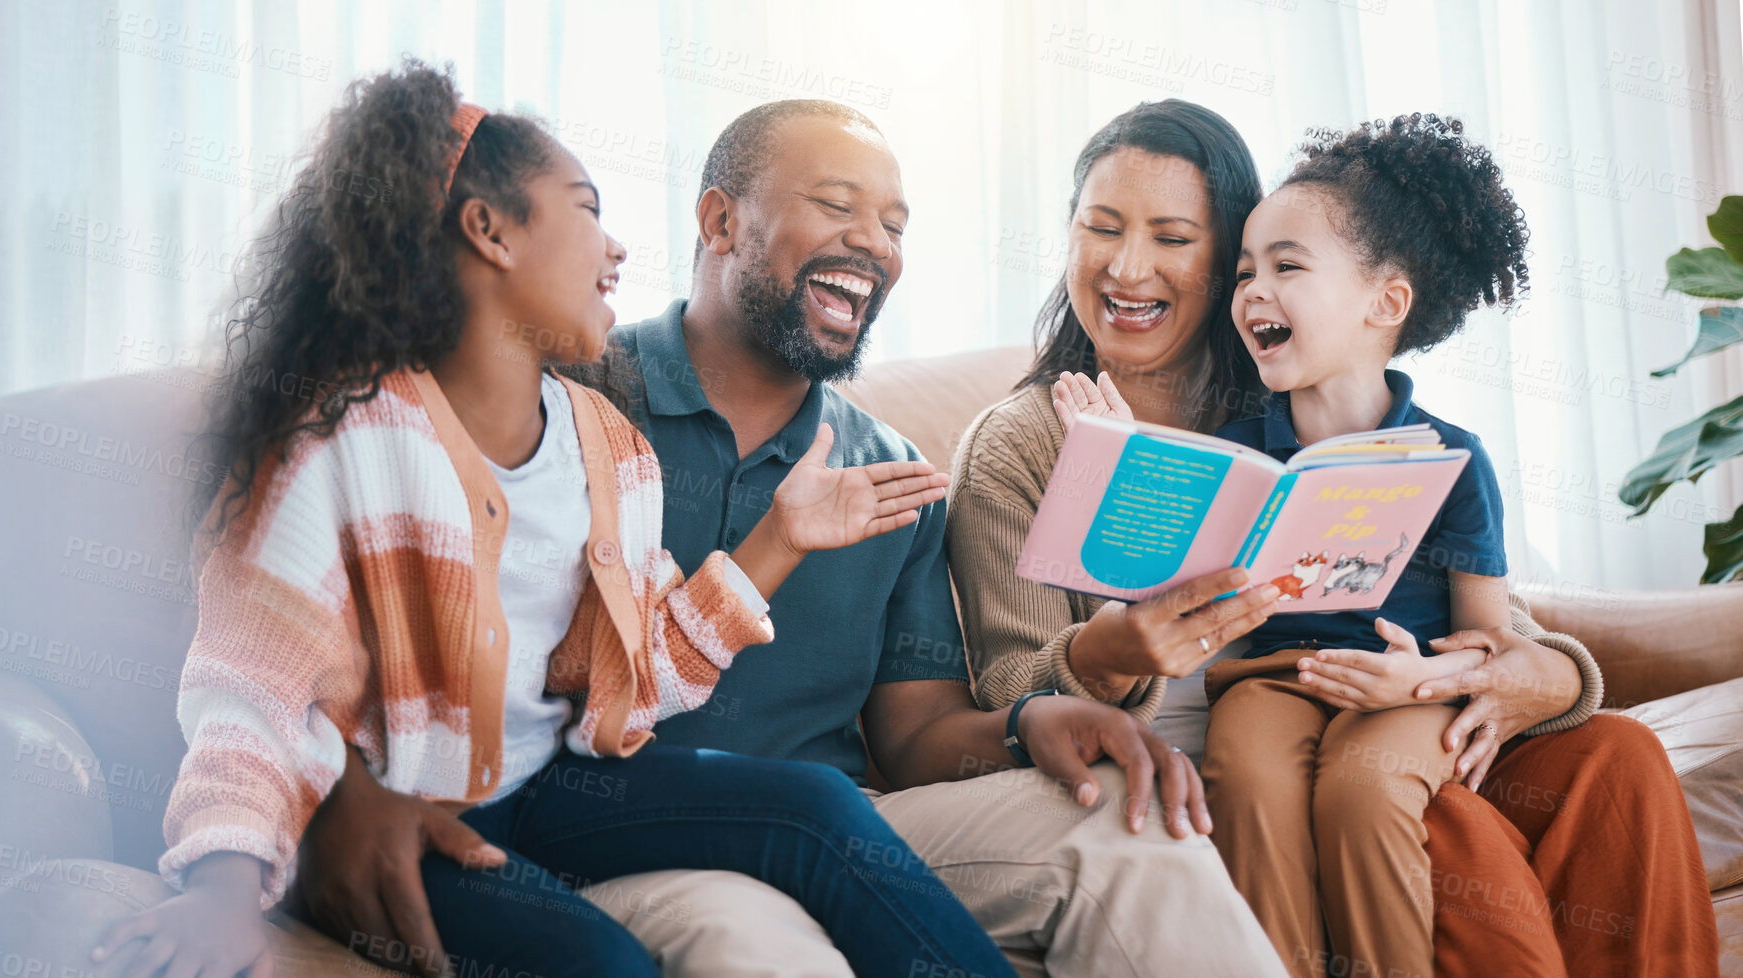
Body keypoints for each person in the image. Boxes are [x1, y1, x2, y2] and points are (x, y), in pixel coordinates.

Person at [297, 98, 1290, 978]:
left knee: (1132, 834)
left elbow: (914, 737)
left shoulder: (890, 470)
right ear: (718, 220)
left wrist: (1025, 725)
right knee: (761, 945)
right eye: (837, 205)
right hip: (622, 832)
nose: (873, 243)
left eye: (893, 225)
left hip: (850, 823)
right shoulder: (572, 402)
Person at [88, 64, 1018, 978]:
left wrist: (777, 542)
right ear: (489, 233)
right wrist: (220, 885)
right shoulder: (346, 443)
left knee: (817, 806)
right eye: (587, 212)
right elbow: (248, 692)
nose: (616, 252)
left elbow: (630, 674)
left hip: (552, 788)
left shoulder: (608, 449)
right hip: (415, 810)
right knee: (600, 959)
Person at [949, 98, 1719, 978]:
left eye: (1172, 238)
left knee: (1616, 756)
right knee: (1435, 825)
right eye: (1101, 227)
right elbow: (1003, 691)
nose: (1129, 267)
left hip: (1385, 698)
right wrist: (1109, 648)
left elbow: (1477, 612)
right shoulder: (1021, 443)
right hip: (1231, 755)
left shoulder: (1299, 393)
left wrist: (1536, 675)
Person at [1052, 113, 1547, 978]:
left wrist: (1426, 679)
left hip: (1407, 689)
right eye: (1244, 270)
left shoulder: (1452, 459)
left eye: (1285, 267)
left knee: (1364, 790)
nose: (1251, 291)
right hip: (1269, 677)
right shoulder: (1238, 446)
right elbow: (1165, 596)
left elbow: (1491, 639)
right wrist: (1118, 458)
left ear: (1385, 303)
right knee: (1244, 773)